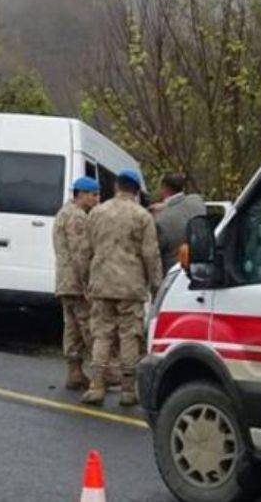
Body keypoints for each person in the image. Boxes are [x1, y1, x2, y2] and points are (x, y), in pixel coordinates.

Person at [81, 169, 163, 407]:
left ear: (116, 186)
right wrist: (156, 285)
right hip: (131, 285)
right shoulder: (142, 216)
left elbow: (85, 250)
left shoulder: (97, 212)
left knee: (101, 334)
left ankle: (96, 386)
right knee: (130, 336)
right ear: (136, 190)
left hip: (101, 283)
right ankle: (128, 390)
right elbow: (150, 254)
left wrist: (86, 280)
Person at [53, 176, 99, 390]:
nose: (96, 200)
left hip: (64, 281)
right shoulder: (78, 217)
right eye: (93, 195)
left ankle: (74, 372)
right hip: (77, 283)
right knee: (88, 326)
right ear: (80, 194)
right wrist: (88, 283)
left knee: (71, 327)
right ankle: (101, 372)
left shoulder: (63, 213)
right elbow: (81, 253)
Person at [150, 173, 207, 271]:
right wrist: (166, 206)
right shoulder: (197, 200)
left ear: (164, 188)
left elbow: (154, 253)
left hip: (176, 273)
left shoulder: (160, 221)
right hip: (202, 266)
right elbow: (181, 206)